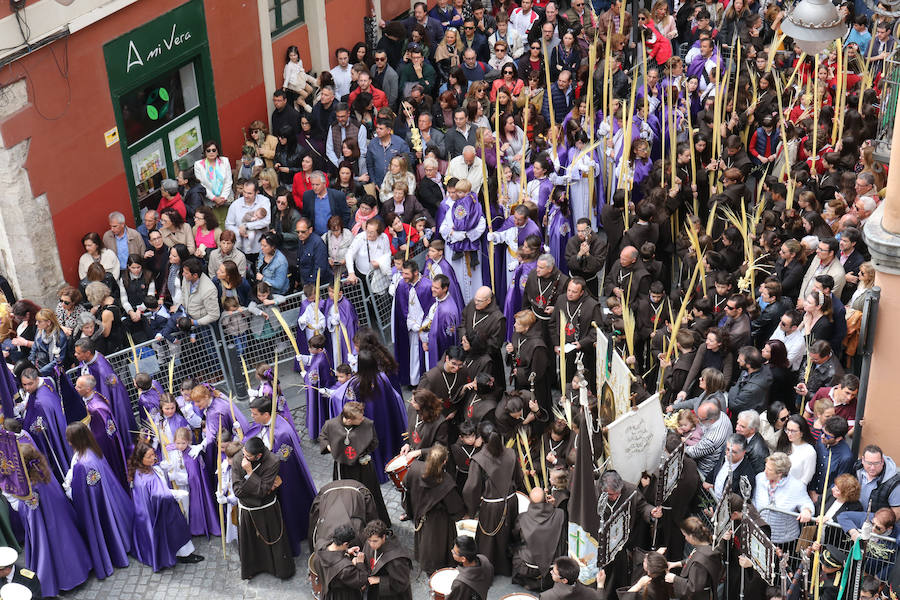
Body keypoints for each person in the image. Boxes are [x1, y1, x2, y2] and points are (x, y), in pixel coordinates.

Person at [5, 444, 91, 596]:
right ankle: (79, 570)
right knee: (68, 543)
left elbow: (28, 512)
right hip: (61, 518)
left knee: (53, 550)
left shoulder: (30, 488)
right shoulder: (44, 471)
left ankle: (61, 580)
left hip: (46, 527)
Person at [63, 421, 134, 580]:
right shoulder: (93, 451)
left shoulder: (82, 464)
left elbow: (81, 494)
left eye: (69, 439)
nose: (68, 442)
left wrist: (69, 489)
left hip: (95, 506)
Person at [328, 349, 407, 483]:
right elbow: (393, 399)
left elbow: (350, 405)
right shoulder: (383, 378)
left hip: (366, 421)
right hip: (385, 418)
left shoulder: (355, 384)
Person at [229, 436, 295, 579]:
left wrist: (250, 473)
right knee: (251, 542)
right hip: (249, 510)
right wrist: (258, 489)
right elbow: (237, 491)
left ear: (258, 455)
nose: (244, 458)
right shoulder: (238, 458)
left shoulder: (272, 461)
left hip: (267, 509)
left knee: (273, 538)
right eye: (243, 453)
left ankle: (279, 569)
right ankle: (252, 569)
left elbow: (262, 491)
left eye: (248, 456)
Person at [463, 420, 518, 576]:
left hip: (492, 506)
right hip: (511, 501)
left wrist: (471, 509)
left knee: (490, 542)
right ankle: (507, 567)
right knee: (507, 535)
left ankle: (489, 569)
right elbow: (518, 478)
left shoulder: (478, 459)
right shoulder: (511, 452)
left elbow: (471, 488)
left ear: (481, 437)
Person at [402, 443, 464, 574]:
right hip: (439, 520)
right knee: (438, 544)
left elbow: (405, 485)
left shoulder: (414, 468)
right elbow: (455, 508)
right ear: (445, 461)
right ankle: (439, 567)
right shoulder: (446, 482)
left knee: (425, 542)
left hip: (420, 512)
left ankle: (426, 563)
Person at [74, 338, 136, 452]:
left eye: (78, 353)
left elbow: (109, 394)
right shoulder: (86, 361)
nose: (75, 355)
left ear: (87, 353)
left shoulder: (102, 369)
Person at [18, 368, 71, 483]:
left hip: (50, 443)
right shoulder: (46, 382)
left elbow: (40, 430)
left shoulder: (41, 403)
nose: (27, 388)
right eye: (24, 385)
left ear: (37, 379)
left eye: (30, 384)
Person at [752, 452, 814, 547]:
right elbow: (753, 500)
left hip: (783, 542)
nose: (765, 471)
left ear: (780, 473)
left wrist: (806, 511)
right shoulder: (759, 478)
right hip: (760, 535)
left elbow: (807, 504)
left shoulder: (796, 486)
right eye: (766, 467)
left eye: (769, 469)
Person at [511, 486, 566, 591]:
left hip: (529, 566)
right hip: (554, 567)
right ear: (546, 499)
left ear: (530, 501)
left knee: (516, 549)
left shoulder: (522, 518)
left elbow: (515, 536)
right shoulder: (560, 513)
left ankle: (531, 583)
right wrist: (554, 507)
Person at [392, 260, 434, 387]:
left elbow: (431, 309)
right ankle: (411, 379)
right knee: (410, 354)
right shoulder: (402, 285)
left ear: (416, 272)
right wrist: (409, 323)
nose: (403, 276)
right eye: (402, 273)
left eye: (406, 274)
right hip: (409, 327)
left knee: (420, 356)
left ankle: (422, 381)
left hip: (423, 329)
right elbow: (400, 308)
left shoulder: (427, 286)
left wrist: (422, 327)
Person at [669, 517, 723, 600]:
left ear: (691, 536)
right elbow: (694, 558)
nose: (685, 538)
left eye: (685, 535)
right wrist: (677, 564)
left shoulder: (699, 563)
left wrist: (674, 579)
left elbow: (693, 588)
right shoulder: (709, 546)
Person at [361, 519, 413, 600]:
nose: (371, 544)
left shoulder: (396, 559)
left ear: (383, 537)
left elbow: (402, 582)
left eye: (375, 541)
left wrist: (380, 580)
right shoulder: (370, 543)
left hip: (393, 595)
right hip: (376, 590)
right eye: (369, 541)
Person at [317, 524, 368, 599]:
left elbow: (332, 557)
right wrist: (360, 563)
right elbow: (361, 580)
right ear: (345, 543)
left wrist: (346, 551)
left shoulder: (320, 545)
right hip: (343, 596)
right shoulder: (345, 568)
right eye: (348, 545)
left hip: (326, 590)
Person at [421, 274, 461, 370]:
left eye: (436, 288)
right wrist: (424, 340)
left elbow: (447, 338)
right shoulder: (439, 300)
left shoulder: (447, 311)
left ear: (445, 288)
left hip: (438, 349)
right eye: (433, 286)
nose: (433, 289)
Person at [448, 535, 494, 600]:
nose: (451, 551)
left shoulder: (460, 583)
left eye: (454, 552)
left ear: (463, 559)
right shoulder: (484, 560)